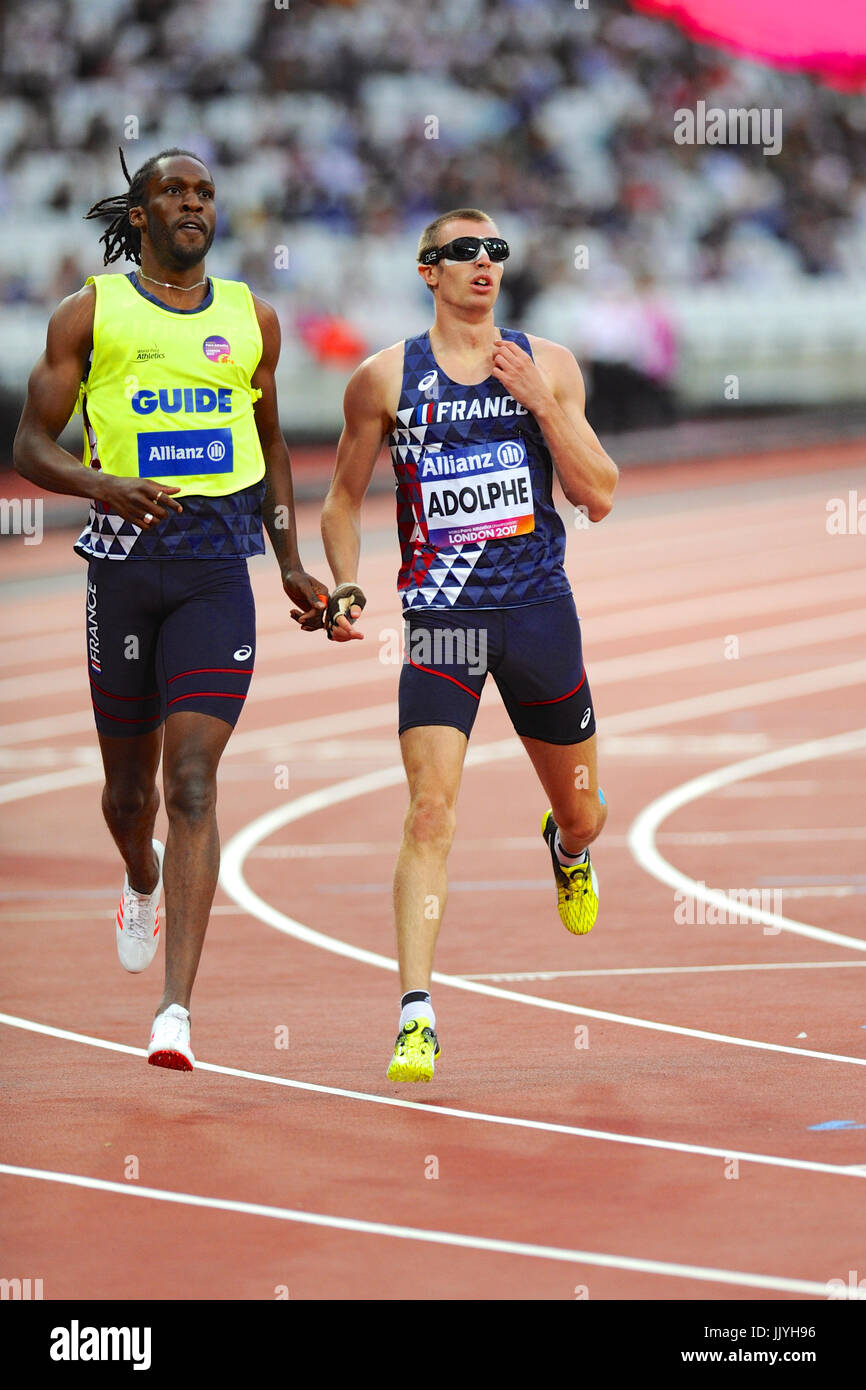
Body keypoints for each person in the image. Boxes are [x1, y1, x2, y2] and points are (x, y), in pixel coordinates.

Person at [13, 148, 328, 1073]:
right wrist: (101, 482)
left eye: (205, 194)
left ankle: (175, 1013)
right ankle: (140, 876)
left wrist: (293, 563)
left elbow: (271, 447)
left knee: (193, 782)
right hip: (121, 573)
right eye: (174, 193)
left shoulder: (250, 316)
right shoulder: (91, 311)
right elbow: (30, 443)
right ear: (139, 212)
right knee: (129, 795)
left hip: (212, 574)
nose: (194, 205)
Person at [320, 209, 619, 1083]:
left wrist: (538, 402)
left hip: (537, 615)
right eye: (464, 252)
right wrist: (344, 582)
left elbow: (598, 492)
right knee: (429, 813)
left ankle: (566, 849)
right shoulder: (384, 379)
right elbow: (340, 501)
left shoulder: (549, 363)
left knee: (587, 812)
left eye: (495, 251)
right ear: (428, 271)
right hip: (442, 623)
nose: (484, 264)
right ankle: (417, 1016)